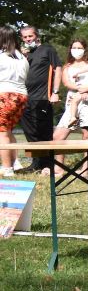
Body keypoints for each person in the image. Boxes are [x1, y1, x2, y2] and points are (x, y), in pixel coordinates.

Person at [51, 39, 88, 176]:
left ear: (85, 50)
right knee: (58, 136)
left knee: (87, 136)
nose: (76, 50)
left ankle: (86, 169)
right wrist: (81, 89)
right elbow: (67, 83)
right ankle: (59, 168)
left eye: (79, 47)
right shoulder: (67, 67)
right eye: (74, 47)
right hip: (72, 103)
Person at [19, 26, 62, 172]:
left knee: (43, 132)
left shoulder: (47, 49)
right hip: (24, 97)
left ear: (37, 36)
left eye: (30, 36)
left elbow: (58, 69)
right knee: (29, 131)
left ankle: (48, 164)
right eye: (24, 37)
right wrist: (22, 57)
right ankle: (36, 163)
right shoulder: (22, 54)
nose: (28, 39)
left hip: (42, 98)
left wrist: (55, 92)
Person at [0, 26, 30, 178]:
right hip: (21, 96)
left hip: (5, 95)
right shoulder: (21, 57)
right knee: (8, 130)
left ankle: (7, 168)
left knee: (2, 133)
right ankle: (15, 162)